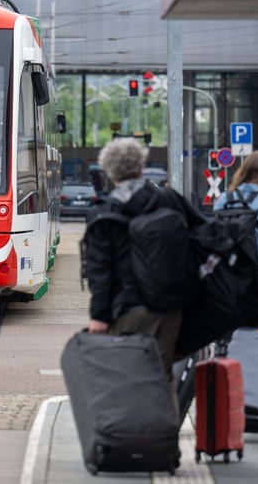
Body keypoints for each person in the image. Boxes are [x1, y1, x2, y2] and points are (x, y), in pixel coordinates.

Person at [82, 137, 205, 384]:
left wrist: (99, 316)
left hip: (127, 310)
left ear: (109, 172)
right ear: (140, 167)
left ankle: (132, 422)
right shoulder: (169, 199)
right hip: (170, 308)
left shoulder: (104, 212)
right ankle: (165, 422)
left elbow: (100, 271)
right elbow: (200, 237)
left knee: (126, 380)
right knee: (162, 376)